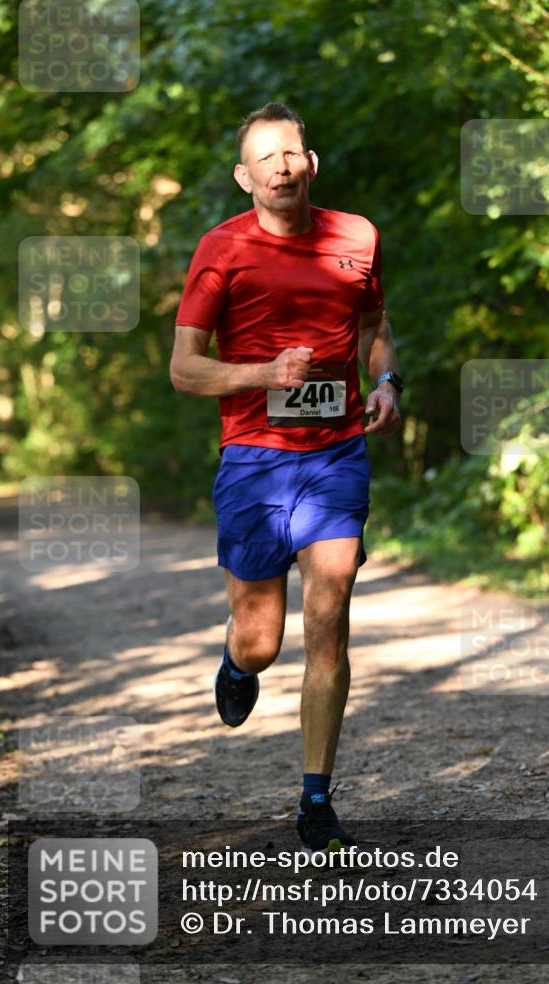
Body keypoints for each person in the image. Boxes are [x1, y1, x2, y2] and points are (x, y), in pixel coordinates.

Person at [170, 102, 402, 854]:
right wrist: (264, 373)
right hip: (254, 458)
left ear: (311, 163)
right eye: (264, 157)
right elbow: (184, 368)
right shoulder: (220, 250)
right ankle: (238, 664)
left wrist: (387, 381)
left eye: (290, 152)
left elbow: (372, 327)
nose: (280, 166)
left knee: (329, 615)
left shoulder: (355, 237)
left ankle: (315, 800)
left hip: (336, 452)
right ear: (245, 177)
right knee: (264, 639)